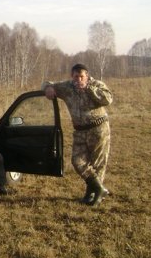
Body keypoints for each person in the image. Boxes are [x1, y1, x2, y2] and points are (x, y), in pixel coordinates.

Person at [42, 64, 113, 206]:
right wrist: (48, 88)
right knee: (77, 161)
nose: (79, 79)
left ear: (87, 75)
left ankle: (94, 194)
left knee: (97, 163)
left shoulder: (96, 85)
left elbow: (108, 99)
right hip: (80, 131)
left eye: (82, 76)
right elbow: (47, 83)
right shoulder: (67, 87)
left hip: (98, 129)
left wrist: (89, 89)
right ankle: (99, 189)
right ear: (72, 76)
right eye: (76, 77)